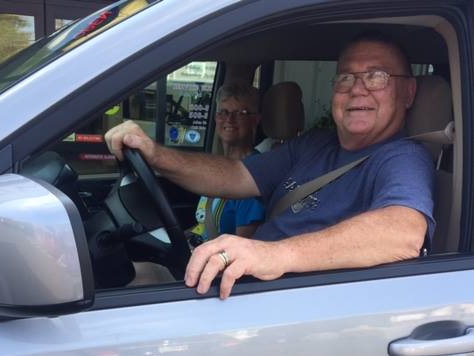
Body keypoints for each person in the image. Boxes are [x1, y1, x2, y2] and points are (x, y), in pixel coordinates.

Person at [105, 32, 435, 299]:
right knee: (128, 275)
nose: (357, 89)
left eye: (376, 76)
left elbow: (403, 233)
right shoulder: (316, 143)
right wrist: (155, 154)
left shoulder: (401, 157)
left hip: (285, 307)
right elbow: (236, 175)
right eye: (346, 78)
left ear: (407, 92)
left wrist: (273, 254)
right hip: (244, 288)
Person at [191, 83, 265, 241]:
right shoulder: (218, 165)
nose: (229, 119)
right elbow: (203, 227)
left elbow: (244, 249)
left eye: (240, 113)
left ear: (255, 120)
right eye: (223, 112)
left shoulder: (253, 177)